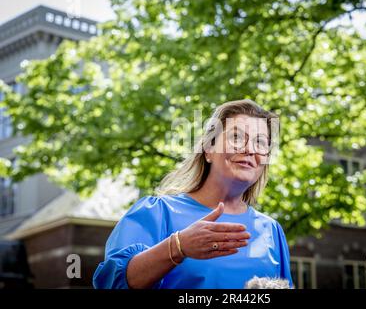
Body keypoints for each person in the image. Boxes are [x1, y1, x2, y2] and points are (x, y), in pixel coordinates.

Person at [93, 99, 293, 289]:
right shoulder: (158, 212)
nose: (249, 149)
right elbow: (111, 283)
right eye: (236, 137)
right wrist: (178, 247)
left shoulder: (271, 231)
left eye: (260, 143)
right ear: (208, 149)